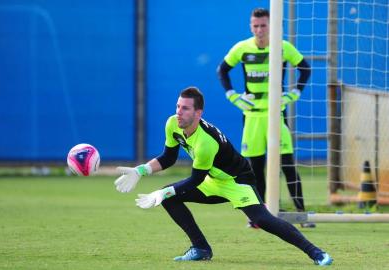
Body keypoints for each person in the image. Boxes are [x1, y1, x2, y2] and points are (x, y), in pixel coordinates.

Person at [114, 86, 332, 265]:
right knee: (170, 198)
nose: (179, 112)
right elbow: (169, 157)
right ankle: (200, 248)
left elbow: (195, 180)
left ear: (198, 113)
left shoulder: (206, 142)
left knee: (261, 219)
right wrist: (140, 171)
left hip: (237, 181)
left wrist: (162, 192)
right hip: (212, 179)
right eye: (178, 106)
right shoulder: (173, 123)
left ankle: (316, 253)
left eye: (186, 109)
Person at [217, 8, 315, 228]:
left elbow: (305, 69)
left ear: (271, 26)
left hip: (276, 115)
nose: (260, 30)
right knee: (255, 169)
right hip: (251, 116)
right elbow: (222, 71)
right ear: (251, 27)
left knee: (288, 165)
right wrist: (233, 96)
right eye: (256, 26)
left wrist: (294, 93)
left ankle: (301, 215)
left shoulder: (283, 47)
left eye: (263, 25)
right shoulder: (242, 48)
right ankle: (258, 218)